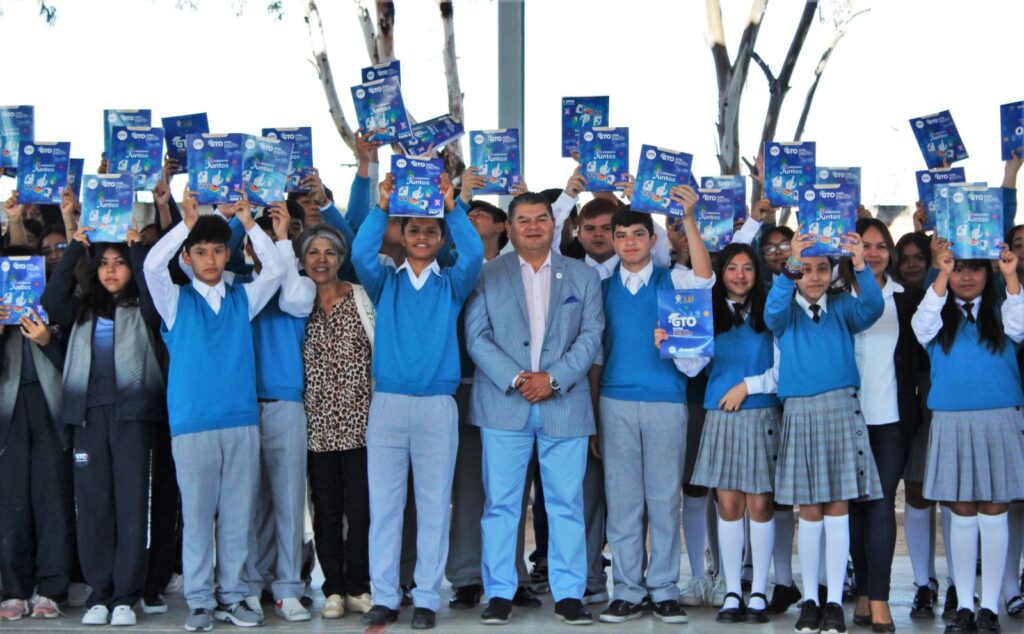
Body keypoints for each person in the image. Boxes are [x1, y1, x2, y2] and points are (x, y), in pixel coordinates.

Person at [143, 189, 283, 632]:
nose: (209, 259)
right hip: (191, 424)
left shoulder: (244, 298)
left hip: (241, 421)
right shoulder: (174, 300)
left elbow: (276, 269)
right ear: (186, 258)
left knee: (238, 516)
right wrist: (185, 224)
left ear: (228, 254)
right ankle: (200, 600)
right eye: (199, 251)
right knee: (199, 518)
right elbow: (150, 266)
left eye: (217, 250)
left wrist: (250, 221)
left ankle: (236, 596)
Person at [351, 171, 483, 630]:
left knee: (432, 504)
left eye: (431, 230)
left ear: (439, 236)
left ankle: (426, 597)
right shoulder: (385, 282)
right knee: (384, 507)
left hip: (436, 407)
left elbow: (475, 253)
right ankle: (386, 596)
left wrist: (453, 207)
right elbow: (359, 252)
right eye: (414, 229)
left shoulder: (452, 285)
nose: (423, 236)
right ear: (402, 236)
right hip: (386, 405)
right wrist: (382, 206)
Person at [465, 191, 604, 626]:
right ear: (509, 226)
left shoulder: (583, 277)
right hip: (504, 403)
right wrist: (520, 379)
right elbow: (477, 338)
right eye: (523, 219)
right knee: (501, 504)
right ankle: (500, 592)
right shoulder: (487, 274)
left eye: (541, 218)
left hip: (564, 403)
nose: (533, 226)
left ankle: (568, 594)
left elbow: (591, 336)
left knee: (566, 503)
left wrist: (553, 379)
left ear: (554, 223)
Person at [39, 223, 165, 627]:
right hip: (88, 418)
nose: (112, 270)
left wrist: (139, 252)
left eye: (120, 263)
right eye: (105, 263)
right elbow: (51, 297)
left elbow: (154, 295)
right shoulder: (80, 311)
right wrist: (77, 246)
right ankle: (100, 592)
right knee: (93, 507)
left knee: (132, 506)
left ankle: (127, 595)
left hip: (134, 418)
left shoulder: (145, 310)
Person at [595, 199, 712, 625]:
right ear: (612, 240)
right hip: (615, 402)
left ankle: (664, 589)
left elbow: (705, 277)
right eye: (621, 235)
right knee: (623, 503)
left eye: (638, 235)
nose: (629, 243)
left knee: (664, 500)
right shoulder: (600, 283)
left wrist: (690, 220)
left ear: (652, 239)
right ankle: (627, 589)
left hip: (666, 400)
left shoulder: (673, 280)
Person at [765, 230, 884, 634]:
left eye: (822, 269)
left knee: (837, 507)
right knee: (809, 511)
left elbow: (873, 307)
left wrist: (861, 264)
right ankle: (811, 600)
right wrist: (791, 265)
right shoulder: (786, 311)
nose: (813, 278)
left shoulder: (843, 308)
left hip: (839, 408)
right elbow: (772, 314)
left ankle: (834, 600)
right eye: (806, 270)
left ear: (833, 272)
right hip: (800, 411)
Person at [911, 244, 1024, 634]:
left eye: (974, 269)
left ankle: (989, 607)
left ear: (987, 273)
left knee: (994, 512)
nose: (966, 276)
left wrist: (1010, 276)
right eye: (957, 269)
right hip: (951, 419)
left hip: (999, 418)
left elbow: (1020, 326)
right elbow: (919, 327)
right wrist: (939, 274)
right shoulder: (937, 314)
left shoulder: (1002, 309)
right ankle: (964, 605)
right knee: (960, 513)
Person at [835, 218, 926, 632]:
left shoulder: (906, 297)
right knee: (852, 507)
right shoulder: (835, 294)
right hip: (842, 417)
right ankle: (866, 592)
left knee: (880, 504)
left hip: (890, 418)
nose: (872, 253)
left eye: (879, 246)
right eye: (864, 245)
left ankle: (882, 598)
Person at [687, 242, 780, 624]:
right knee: (728, 507)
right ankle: (730, 590)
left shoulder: (772, 312)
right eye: (732, 268)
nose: (740, 275)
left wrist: (748, 386)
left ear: (757, 274)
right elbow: (692, 368)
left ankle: (758, 588)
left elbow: (785, 370)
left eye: (747, 268)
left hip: (760, 414)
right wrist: (672, 344)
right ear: (720, 273)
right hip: (720, 417)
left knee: (759, 505)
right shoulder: (704, 313)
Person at [237, 206, 317, 623]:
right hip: (242, 406)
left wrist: (282, 238)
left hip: (286, 403)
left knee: (288, 501)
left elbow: (292, 300)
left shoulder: (298, 284)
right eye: (256, 243)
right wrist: (240, 216)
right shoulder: (233, 287)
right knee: (248, 505)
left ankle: (288, 587)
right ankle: (251, 585)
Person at [296, 223, 375, 619]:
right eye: (313, 253)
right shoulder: (297, 303)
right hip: (316, 428)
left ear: (341, 259)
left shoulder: (361, 298)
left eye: (329, 252)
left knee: (361, 510)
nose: (321, 260)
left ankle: (359, 585)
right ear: (303, 260)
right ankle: (333, 589)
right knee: (325, 510)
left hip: (362, 424)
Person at [0, 248, 71, 622]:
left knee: (52, 498)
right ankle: (15, 590)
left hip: (50, 407)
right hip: (8, 411)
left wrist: (47, 338)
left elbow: (74, 363)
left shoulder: (56, 307)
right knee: (11, 500)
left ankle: (52, 589)